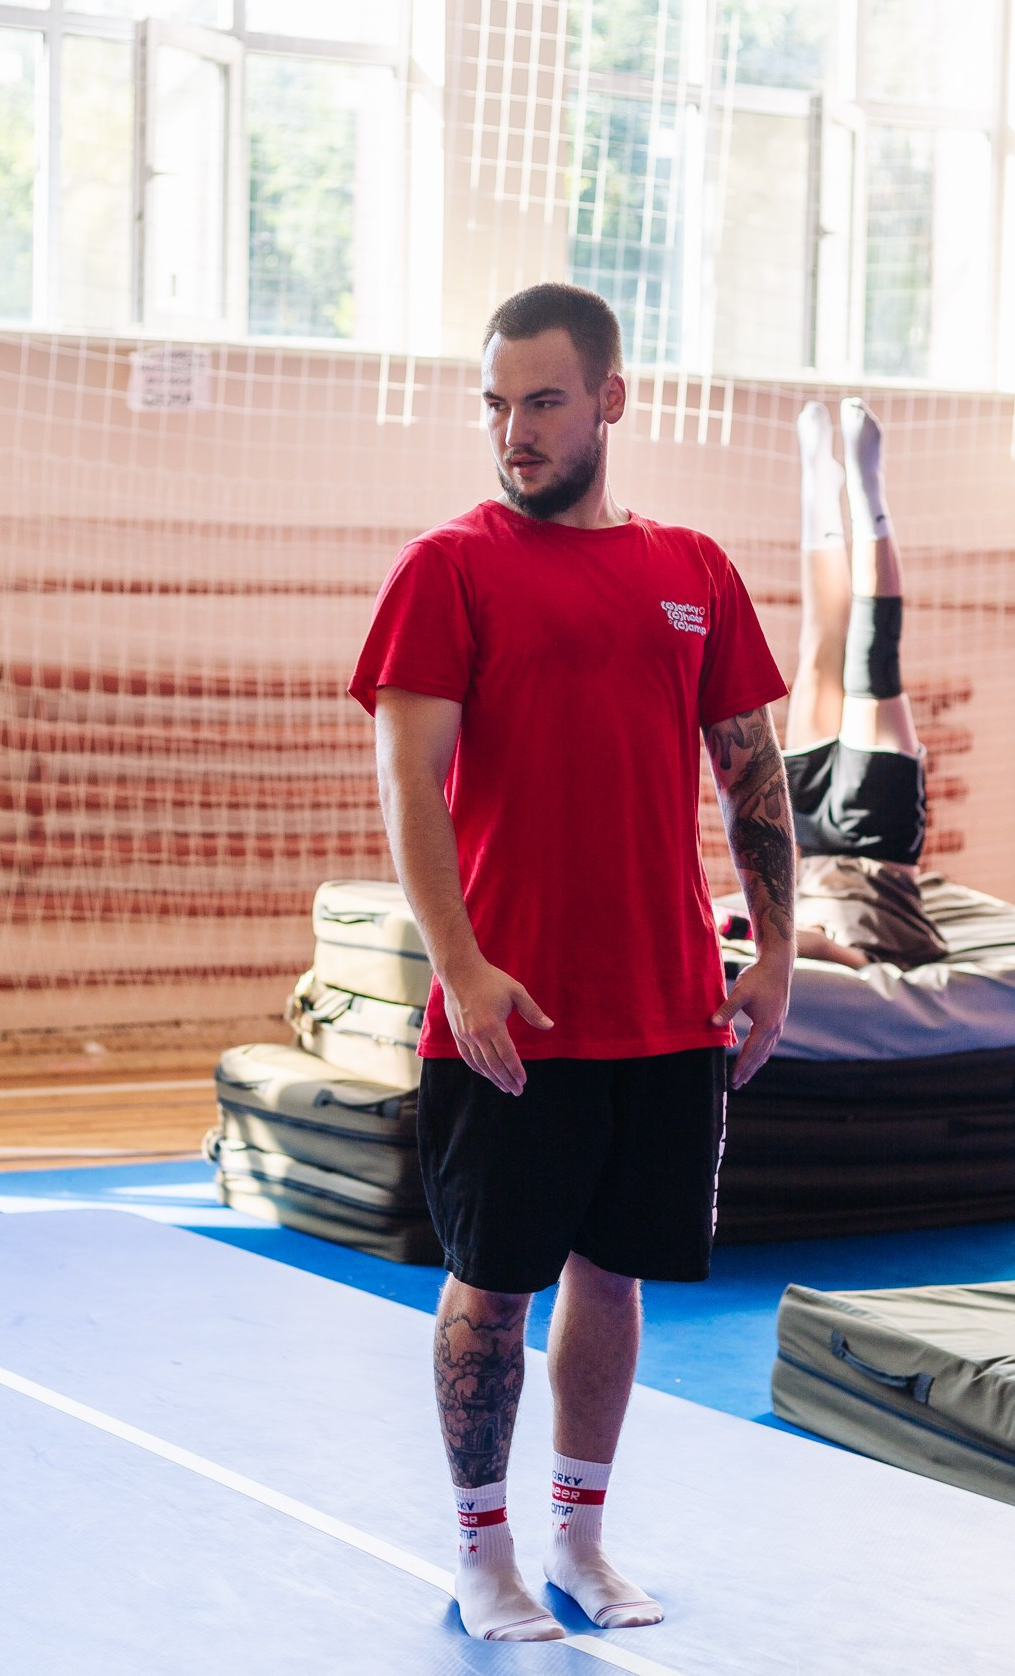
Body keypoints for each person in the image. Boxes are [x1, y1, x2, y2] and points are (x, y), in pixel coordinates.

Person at [352, 284, 794, 1643]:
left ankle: (581, 1535)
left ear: (610, 398)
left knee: (617, 1275)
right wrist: (463, 964)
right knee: (492, 1285)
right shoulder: (451, 566)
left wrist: (775, 949)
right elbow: (408, 782)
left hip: (663, 1005)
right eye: (495, 403)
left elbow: (753, 770)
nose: (513, 430)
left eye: (541, 400)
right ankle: (481, 1548)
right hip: (509, 1014)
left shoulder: (694, 568)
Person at [780, 396, 940, 971]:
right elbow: (842, 956)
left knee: (819, 644)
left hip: (812, 837)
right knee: (871, 657)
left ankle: (818, 487)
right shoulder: (875, 965)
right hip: (876, 845)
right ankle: (868, 492)